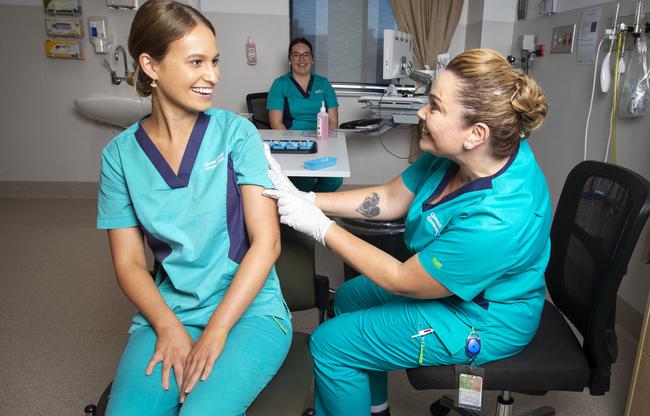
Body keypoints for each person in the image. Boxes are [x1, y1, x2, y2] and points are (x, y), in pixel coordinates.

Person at [264, 48, 550, 416]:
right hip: (448, 284)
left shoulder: (499, 218)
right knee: (349, 297)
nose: (421, 113)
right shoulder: (461, 154)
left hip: (481, 317)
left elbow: (402, 279)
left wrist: (320, 227)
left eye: (435, 107)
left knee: (329, 345)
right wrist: (307, 197)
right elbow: (390, 197)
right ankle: (374, 406)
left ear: (475, 133)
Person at [96, 1, 291, 414]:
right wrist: (167, 327)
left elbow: (267, 243)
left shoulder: (236, 133)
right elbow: (129, 263)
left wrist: (217, 331)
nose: (214, 75)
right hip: (171, 309)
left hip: (249, 309)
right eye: (197, 62)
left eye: (215, 61)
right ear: (150, 66)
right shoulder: (119, 156)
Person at [267, 37, 343, 193]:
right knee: (304, 179)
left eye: (306, 55)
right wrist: (297, 145)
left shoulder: (324, 83)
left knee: (335, 179)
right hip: (294, 142)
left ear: (312, 59)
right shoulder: (280, 84)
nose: (301, 59)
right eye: (296, 55)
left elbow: (334, 122)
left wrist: (324, 144)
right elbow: (276, 123)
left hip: (322, 142)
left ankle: (310, 204)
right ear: (290, 59)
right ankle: (304, 208)